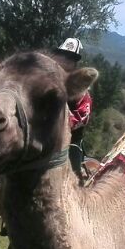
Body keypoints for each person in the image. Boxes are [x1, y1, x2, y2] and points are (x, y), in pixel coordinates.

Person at [51, 37, 92, 172]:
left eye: (69, 58)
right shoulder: (45, 81)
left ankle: (77, 179)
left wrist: (59, 122)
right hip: (41, 135)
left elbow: (82, 117)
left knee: (74, 170)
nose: (63, 61)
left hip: (69, 141)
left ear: (74, 64)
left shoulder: (81, 91)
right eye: (61, 55)